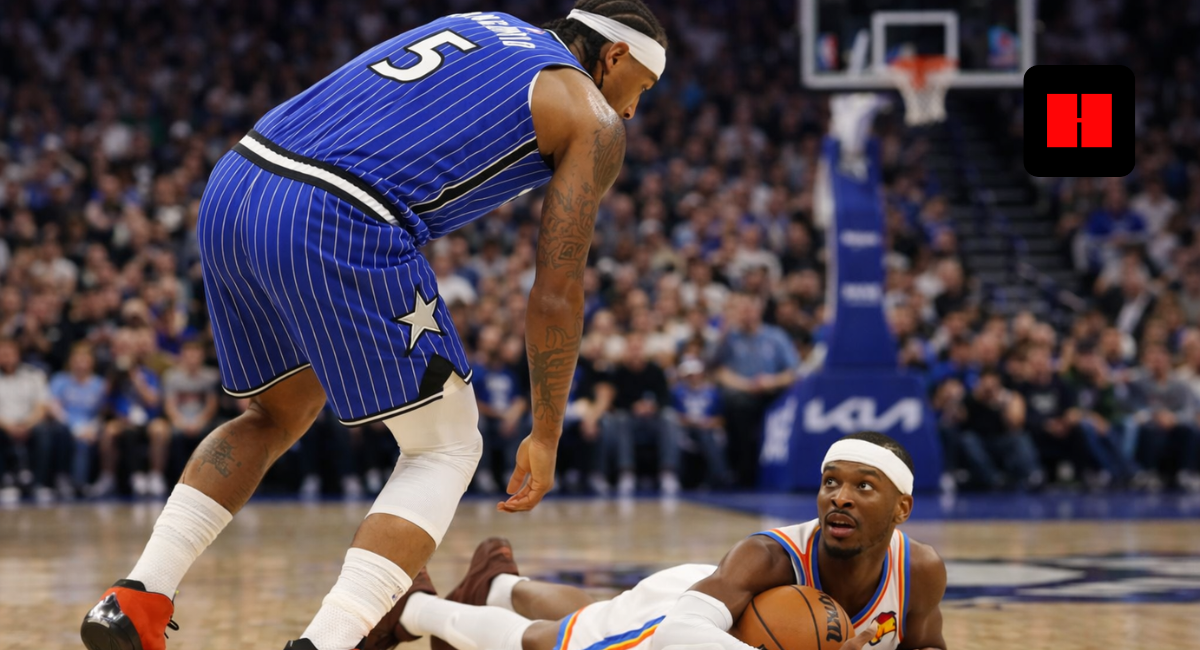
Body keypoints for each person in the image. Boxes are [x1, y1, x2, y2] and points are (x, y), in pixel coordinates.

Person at [82, 4, 667, 650]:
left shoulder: (487, 21)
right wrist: (548, 432)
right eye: (640, 88)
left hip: (238, 182)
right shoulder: (594, 117)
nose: (634, 111)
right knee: (446, 447)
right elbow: (556, 292)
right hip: (335, 212)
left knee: (277, 414)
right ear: (614, 56)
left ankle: (136, 598)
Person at [367, 431, 947, 650]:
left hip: (701, 613)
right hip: (688, 610)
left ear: (902, 509)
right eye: (830, 483)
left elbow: (925, 646)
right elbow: (679, 633)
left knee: (599, 615)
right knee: (555, 646)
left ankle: (497, 582)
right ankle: (417, 610)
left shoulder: (920, 571)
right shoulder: (770, 555)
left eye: (862, 487)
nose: (839, 498)